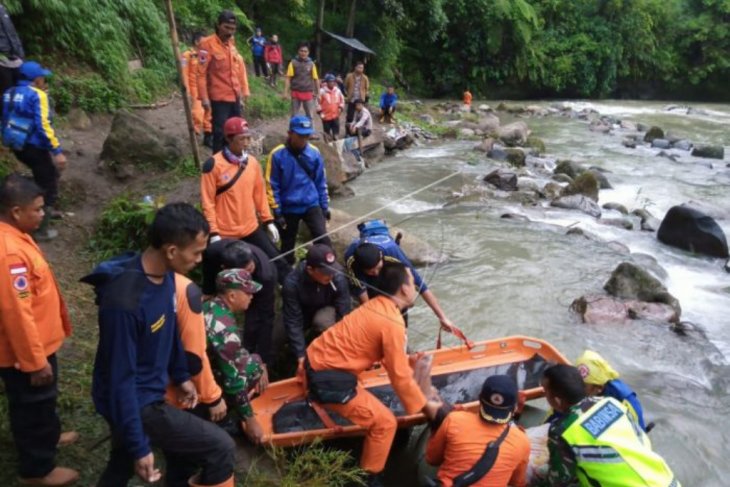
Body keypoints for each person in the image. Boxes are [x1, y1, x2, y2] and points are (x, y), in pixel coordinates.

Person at [84, 203, 235, 487]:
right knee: (220, 446)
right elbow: (121, 380)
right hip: (138, 399)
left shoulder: (163, 277)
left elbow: (169, 333)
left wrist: (181, 376)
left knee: (121, 461)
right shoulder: (124, 304)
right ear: (172, 251)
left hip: (148, 388)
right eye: (197, 252)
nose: (200, 260)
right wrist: (142, 446)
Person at [303, 262, 442, 486]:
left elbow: (392, 362)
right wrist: (426, 407)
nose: (415, 287)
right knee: (385, 424)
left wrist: (409, 362)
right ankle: (368, 477)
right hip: (327, 379)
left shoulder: (378, 305)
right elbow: (398, 376)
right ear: (404, 290)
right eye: (413, 283)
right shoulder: (393, 323)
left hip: (316, 360)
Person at [0, 174, 78, 486]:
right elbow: (17, 312)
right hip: (26, 354)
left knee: (43, 401)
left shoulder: (15, 235)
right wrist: (34, 361)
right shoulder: (10, 254)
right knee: (33, 404)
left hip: (38, 344)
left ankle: (50, 435)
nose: (43, 213)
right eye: (38, 209)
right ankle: (37, 470)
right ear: (17, 211)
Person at [537, 364, 679, 487]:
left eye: (546, 392)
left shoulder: (563, 431)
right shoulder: (612, 403)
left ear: (556, 400)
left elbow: (559, 480)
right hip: (667, 481)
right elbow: (641, 439)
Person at [200, 116, 290, 284]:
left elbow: (259, 194)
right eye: (242, 139)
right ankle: (211, 297)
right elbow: (208, 202)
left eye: (248, 138)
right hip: (225, 232)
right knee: (216, 268)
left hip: (250, 227)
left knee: (278, 261)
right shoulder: (213, 165)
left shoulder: (253, 163)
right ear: (228, 138)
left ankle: (293, 289)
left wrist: (268, 220)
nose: (247, 143)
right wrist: (214, 232)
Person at [345, 219, 455, 332]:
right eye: (372, 271)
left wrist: (442, 317)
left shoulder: (392, 252)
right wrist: (374, 321)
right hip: (366, 274)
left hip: (389, 266)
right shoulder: (351, 259)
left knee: (400, 302)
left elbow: (421, 286)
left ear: (381, 256)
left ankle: (402, 331)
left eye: (378, 268)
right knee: (375, 310)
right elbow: (361, 292)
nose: (376, 273)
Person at [426, 375, 531, 487]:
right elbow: (517, 483)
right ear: (515, 407)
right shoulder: (523, 442)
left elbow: (432, 459)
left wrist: (436, 428)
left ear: (480, 398)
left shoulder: (454, 419)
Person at [2, 60, 67, 240]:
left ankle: (41, 210)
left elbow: (5, 119)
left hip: (17, 145)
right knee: (49, 182)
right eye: (42, 77)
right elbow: (43, 125)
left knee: (42, 174)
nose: (44, 81)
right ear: (35, 79)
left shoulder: (9, 92)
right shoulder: (38, 95)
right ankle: (39, 229)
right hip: (34, 146)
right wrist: (57, 151)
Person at [204, 268, 269, 444]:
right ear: (232, 296)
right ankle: (221, 417)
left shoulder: (211, 305)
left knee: (254, 360)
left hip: (204, 368)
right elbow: (233, 381)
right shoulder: (225, 329)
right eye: (247, 293)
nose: (251, 296)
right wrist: (251, 420)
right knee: (254, 366)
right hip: (201, 382)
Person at [265, 115, 332, 265]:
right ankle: (288, 273)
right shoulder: (277, 155)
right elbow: (271, 184)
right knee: (287, 245)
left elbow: (320, 181)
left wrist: (324, 206)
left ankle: (325, 268)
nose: (303, 140)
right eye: (300, 136)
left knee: (323, 239)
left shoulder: (314, 153)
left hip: (311, 203)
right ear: (290, 133)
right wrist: (277, 211)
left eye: (307, 136)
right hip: (289, 207)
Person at [202, 239, 278, 365]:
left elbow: (266, 318)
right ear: (226, 269)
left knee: (254, 322)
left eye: (250, 268)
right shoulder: (214, 252)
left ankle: (244, 355)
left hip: (261, 283)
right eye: (245, 273)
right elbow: (209, 269)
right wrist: (208, 291)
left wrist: (262, 359)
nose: (248, 273)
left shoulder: (265, 276)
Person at [166, 273, 226, 423]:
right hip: (175, 394)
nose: (199, 258)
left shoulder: (148, 285)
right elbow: (194, 355)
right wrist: (213, 398)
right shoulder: (185, 291)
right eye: (196, 252)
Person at [283, 243, 351, 362]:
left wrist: (344, 342)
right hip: (303, 311)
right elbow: (293, 320)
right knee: (278, 334)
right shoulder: (292, 283)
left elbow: (343, 311)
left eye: (332, 270)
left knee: (322, 321)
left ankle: (329, 352)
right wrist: (301, 356)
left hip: (327, 309)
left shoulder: (338, 277)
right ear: (310, 269)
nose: (330, 275)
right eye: (325, 272)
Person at [198, 10, 250, 153]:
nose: (229, 32)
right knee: (220, 133)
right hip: (219, 98)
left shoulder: (231, 44)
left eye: (232, 29)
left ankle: (234, 161)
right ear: (218, 25)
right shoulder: (206, 44)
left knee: (237, 131)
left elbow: (236, 71)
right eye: (226, 27)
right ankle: (218, 165)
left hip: (234, 96)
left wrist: (241, 96)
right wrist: (204, 98)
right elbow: (201, 74)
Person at [575, 350, 648, 431]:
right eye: (576, 380)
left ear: (599, 389)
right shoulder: (588, 383)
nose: (577, 386)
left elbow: (639, 433)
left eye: (583, 385)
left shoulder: (626, 401)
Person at [181, 32, 212, 145]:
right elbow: (184, 74)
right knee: (198, 112)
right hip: (194, 88)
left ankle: (208, 136)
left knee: (209, 112)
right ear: (196, 42)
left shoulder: (204, 55)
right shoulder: (187, 55)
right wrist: (186, 90)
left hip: (205, 88)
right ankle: (195, 134)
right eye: (203, 41)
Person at [0, 2, 24, 117]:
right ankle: (6, 123)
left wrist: (20, 53)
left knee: (19, 91)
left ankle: (17, 124)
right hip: (2, 59)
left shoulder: (2, 9)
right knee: (6, 94)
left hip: (15, 57)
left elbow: (12, 33)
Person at [283, 42, 319, 118]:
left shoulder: (311, 64)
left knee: (310, 115)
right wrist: (285, 92)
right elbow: (288, 78)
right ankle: (292, 129)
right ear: (298, 51)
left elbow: (316, 79)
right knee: (294, 115)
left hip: (308, 92)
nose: (303, 53)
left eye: (305, 51)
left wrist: (318, 92)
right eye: (301, 51)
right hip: (295, 92)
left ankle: (310, 130)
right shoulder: (293, 63)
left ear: (308, 53)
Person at [317, 73, 344, 141]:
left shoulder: (337, 91)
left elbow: (342, 100)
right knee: (326, 133)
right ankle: (327, 145)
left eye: (333, 81)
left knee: (336, 132)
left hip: (335, 115)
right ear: (327, 82)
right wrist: (320, 112)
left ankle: (336, 142)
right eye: (330, 82)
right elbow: (317, 102)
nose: (332, 83)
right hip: (326, 116)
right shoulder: (322, 91)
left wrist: (340, 108)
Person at [344, 61, 369, 126]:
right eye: (359, 67)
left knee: (360, 116)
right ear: (355, 67)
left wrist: (365, 96)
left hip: (360, 100)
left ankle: (357, 131)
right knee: (350, 116)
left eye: (362, 68)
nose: (361, 69)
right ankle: (348, 132)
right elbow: (345, 86)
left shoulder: (365, 78)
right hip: (351, 99)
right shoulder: (349, 76)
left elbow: (367, 88)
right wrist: (348, 94)